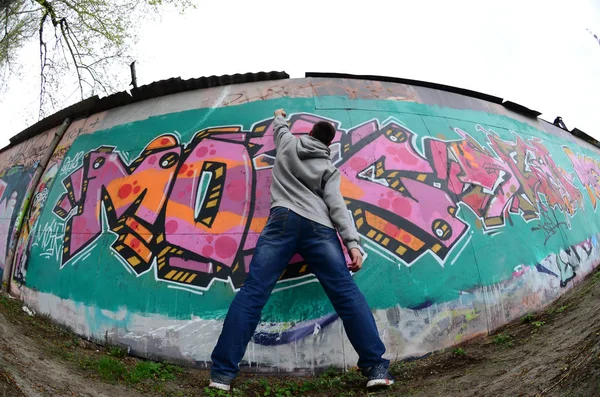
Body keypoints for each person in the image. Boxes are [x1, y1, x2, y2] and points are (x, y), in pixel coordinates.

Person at [209, 109, 394, 391]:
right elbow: (337, 207)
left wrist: (280, 115)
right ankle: (376, 367)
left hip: (281, 220)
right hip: (319, 227)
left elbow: (280, 128)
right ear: (328, 145)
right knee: (345, 293)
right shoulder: (328, 169)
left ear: (309, 134)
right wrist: (352, 244)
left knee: (254, 292)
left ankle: (222, 375)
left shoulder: (288, 144)